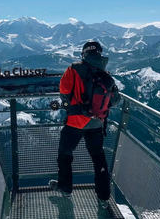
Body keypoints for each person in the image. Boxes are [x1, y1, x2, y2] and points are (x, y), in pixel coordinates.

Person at [49, 41, 121, 209]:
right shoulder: (105, 73)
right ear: (99, 53)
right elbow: (115, 100)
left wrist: (76, 105)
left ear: (83, 54)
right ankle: (103, 196)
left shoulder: (73, 69)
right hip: (97, 123)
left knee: (65, 153)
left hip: (75, 122)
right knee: (98, 157)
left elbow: (64, 94)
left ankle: (65, 188)